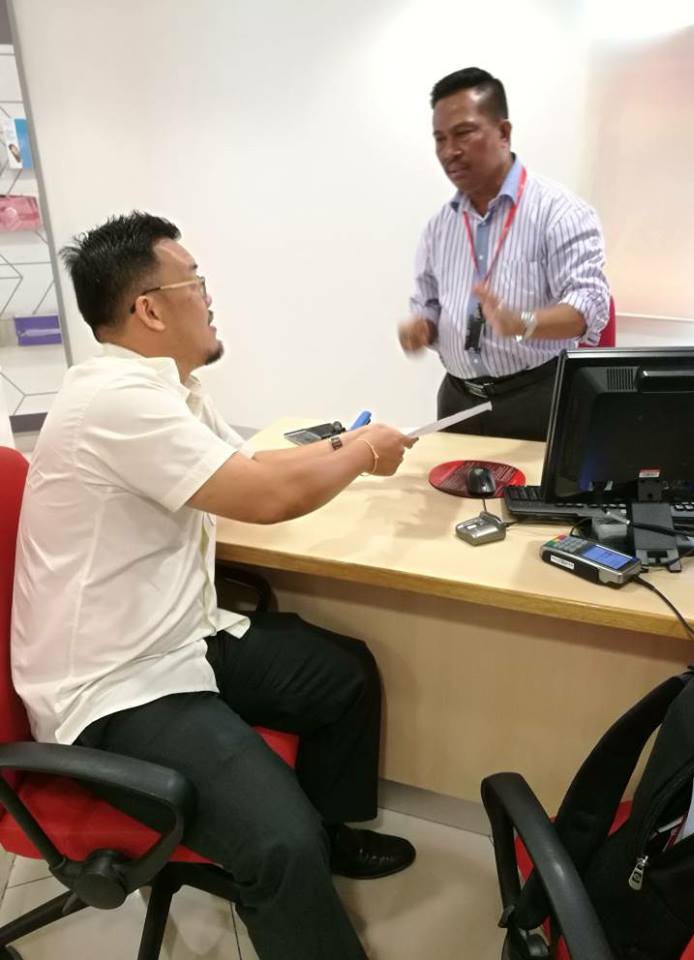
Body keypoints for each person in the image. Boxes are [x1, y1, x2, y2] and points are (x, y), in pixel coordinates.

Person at [11, 212, 418, 960]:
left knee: (343, 674)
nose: (209, 297)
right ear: (150, 309)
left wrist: (349, 442)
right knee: (278, 842)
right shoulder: (117, 401)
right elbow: (267, 498)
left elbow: (253, 466)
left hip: (179, 636)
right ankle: (300, 862)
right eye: (195, 282)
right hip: (115, 686)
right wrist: (362, 454)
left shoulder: (171, 390)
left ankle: (327, 842)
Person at [399, 67, 610, 441]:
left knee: (534, 484)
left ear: (504, 132)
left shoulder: (559, 212)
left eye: (463, 133)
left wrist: (521, 323)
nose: (450, 151)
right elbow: (427, 304)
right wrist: (421, 327)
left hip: (537, 397)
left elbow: (588, 308)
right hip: (458, 399)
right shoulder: (439, 227)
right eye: (440, 139)